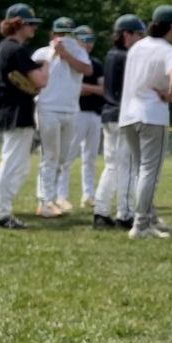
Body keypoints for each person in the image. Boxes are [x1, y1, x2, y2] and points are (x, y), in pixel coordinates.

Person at [120, 5, 172, 240]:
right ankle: (140, 225)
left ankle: (148, 218)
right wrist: (169, 95)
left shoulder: (137, 47)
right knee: (150, 171)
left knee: (141, 170)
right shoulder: (169, 51)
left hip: (128, 114)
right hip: (152, 115)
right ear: (171, 26)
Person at [0, 4, 47, 229]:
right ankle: (1, 214)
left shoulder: (1, 47)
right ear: (18, 24)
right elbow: (40, 81)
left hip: (6, 109)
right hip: (18, 111)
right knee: (15, 164)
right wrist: (45, 67)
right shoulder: (17, 50)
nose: (33, 28)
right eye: (30, 24)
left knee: (11, 161)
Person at [32, 16, 93, 217]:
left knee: (63, 159)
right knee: (49, 156)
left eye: (68, 34)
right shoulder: (41, 52)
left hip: (71, 110)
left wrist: (65, 54)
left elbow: (87, 70)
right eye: (60, 33)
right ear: (52, 34)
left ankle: (54, 198)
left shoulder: (79, 52)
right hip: (47, 109)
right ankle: (44, 201)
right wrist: (54, 54)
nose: (64, 37)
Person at [93, 15, 145, 229]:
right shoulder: (126, 56)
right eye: (138, 34)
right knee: (127, 166)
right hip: (122, 116)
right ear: (126, 34)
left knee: (113, 166)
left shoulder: (111, 55)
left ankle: (101, 211)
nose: (141, 38)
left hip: (109, 113)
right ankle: (125, 214)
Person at [57, 26, 103, 209]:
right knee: (68, 156)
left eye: (90, 40)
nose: (88, 44)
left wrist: (87, 89)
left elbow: (103, 89)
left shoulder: (96, 64)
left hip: (95, 114)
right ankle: (61, 195)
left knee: (90, 157)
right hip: (77, 113)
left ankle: (89, 194)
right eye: (84, 40)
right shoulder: (69, 61)